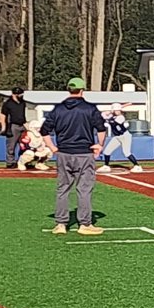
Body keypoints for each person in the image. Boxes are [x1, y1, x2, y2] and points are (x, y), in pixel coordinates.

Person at [41, 78, 106, 236]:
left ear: (68, 89)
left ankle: (60, 224)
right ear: (82, 90)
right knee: (84, 189)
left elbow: (44, 131)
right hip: (84, 153)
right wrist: (99, 145)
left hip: (64, 153)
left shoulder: (58, 109)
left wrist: (52, 147)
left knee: (62, 189)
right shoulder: (90, 109)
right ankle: (84, 224)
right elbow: (101, 129)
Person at [97, 105, 142, 173]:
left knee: (126, 153)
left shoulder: (121, 117)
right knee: (107, 151)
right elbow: (102, 115)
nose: (118, 111)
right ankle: (106, 166)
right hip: (117, 137)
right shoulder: (112, 116)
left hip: (125, 136)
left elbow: (114, 122)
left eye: (118, 110)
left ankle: (137, 166)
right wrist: (109, 112)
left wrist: (109, 115)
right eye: (116, 110)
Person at [0, 87, 28, 168]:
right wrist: (3, 127)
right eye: (19, 94)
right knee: (11, 146)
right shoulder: (7, 103)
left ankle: (23, 161)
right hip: (12, 125)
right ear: (14, 94)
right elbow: (3, 115)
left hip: (22, 125)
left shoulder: (22, 103)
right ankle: (10, 162)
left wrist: (26, 125)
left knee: (25, 145)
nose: (21, 95)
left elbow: (23, 115)